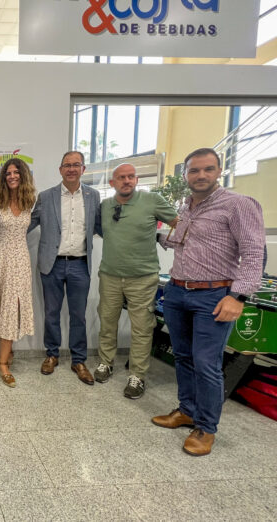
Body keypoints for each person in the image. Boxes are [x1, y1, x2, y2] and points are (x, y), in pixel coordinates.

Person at [152, 148, 264, 456]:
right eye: (194, 170)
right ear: (186, 174)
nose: (200, 175)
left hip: (214, 296)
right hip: (177, 291)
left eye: (208, 169)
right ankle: (187, 410)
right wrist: (148, 233)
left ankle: (206, 427)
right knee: (183, 357)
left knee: (207, 364)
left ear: (219, 171)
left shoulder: (239, 204)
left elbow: (254, 253)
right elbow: (180, 242)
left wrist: (238, 296)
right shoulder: (185, 207)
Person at [94, 163, 178, 399]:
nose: (127, 181)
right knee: (107, 322)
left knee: (142, 328)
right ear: (112, 183)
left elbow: (179, 225)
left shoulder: (152, 200)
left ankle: (137, 375)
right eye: (121, 177)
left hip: (143, 278)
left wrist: (165, 240)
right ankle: (105, 363)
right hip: (110, 275)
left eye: (131, 176)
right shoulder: (105, 205)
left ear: (137, 180)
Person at [29, 151, 101, 385]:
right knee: (51, 313)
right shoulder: (46, 196)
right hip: (52, 264)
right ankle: (52, 355)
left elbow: (100, 226)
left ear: (83, 169)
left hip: (80, 264)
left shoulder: (93, 196)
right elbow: (29, 222)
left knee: (78, 315)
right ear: (60, 170)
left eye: (76, 165)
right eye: (67, 165)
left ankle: (78, 360)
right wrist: (3, 234)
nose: (71, 169)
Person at [0, 158, 37, 388]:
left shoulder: (29, 202)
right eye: (8, 173)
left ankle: (9, 351)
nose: (12, 176)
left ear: (23, 175)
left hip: (22, 260)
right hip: (2, 261)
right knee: (6, 307)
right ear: (3, 177)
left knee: (16, 306)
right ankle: (3, 363)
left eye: (16, 172)